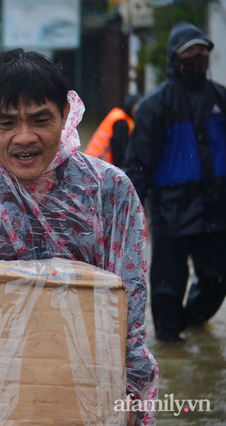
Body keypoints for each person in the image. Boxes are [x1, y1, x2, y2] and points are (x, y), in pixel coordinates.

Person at [0, 48, 158, 426]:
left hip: (89, 384)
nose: (24, 138)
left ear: (65, 115)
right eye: (7, 123)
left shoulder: (109, 190)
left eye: (40, 120)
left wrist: (128, 389)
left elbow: (129, 297)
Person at [125, 22, 226, 343]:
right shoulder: (155, 106)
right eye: (189, 54)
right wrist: (129, 213)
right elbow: (138, 165)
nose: (196, 59)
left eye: (202, 53)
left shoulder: (221, 99)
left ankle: (193, 321)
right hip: (171, 211)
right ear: (174, 58)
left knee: (217, 280)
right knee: (167, 285)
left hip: (215, 212)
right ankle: (170, 341)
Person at [84, 93, 141, 168]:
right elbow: (119, 150)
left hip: (92, 163)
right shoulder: (121, 121)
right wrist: (120, 168)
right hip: (97, 165)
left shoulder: (118, 116)